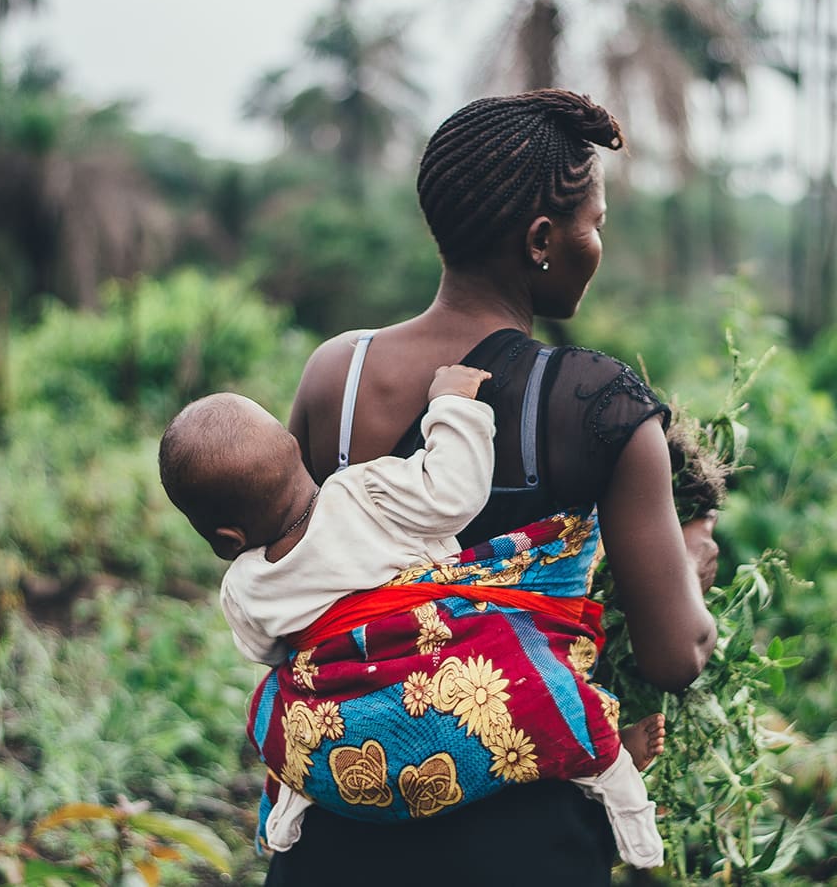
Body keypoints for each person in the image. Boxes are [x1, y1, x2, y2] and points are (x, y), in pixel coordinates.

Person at [270, 89, 719, 884]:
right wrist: (689, 558)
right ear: (543, 239)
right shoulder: (601, 405)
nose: (598, 245)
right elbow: (676, 655)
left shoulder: (335, 376)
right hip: (522, 842)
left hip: (341, 820)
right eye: (597, 224)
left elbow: (292, 586)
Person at [158, 364, 670, 868]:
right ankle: (615, 781)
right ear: (296, 453)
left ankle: (293, 801)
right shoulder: (364, 492)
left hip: (349, 731)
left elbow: (270, 653)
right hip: (440, 680)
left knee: (277, 710)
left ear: (226, 540)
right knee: (539, 687)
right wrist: (453, 404)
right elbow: (454, 493)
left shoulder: (244, 587)